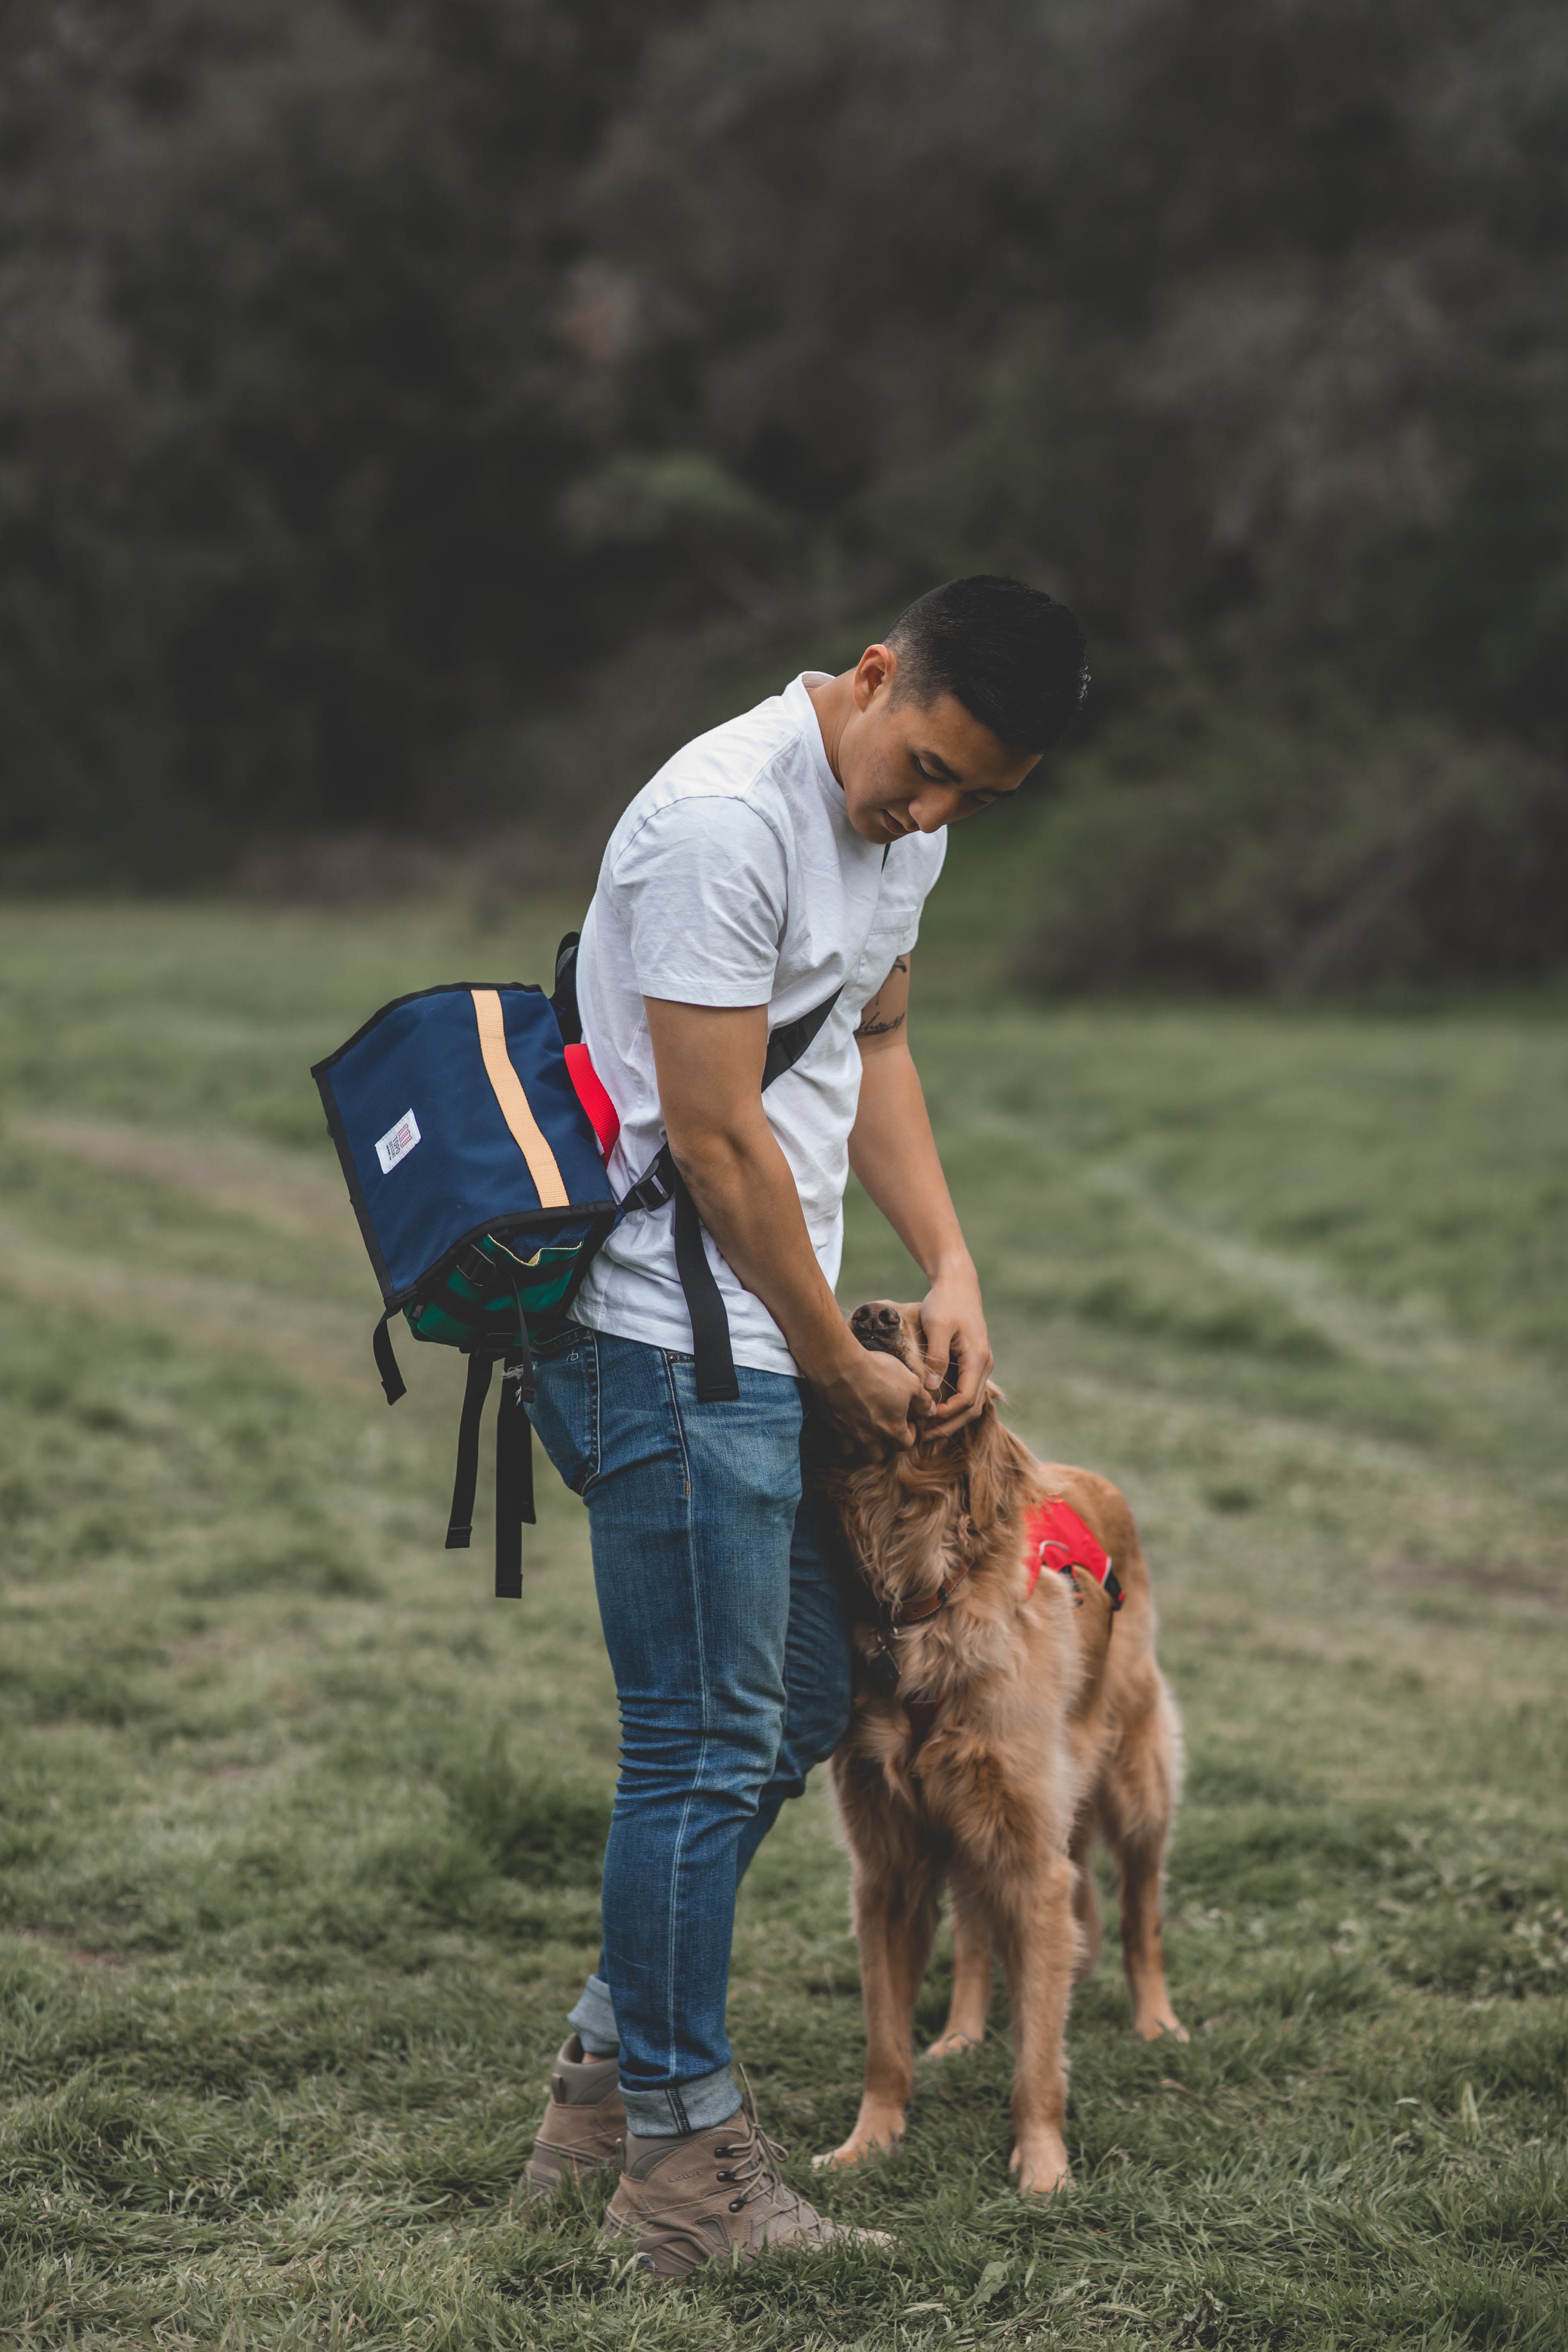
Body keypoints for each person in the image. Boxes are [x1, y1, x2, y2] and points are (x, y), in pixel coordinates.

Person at [523, 574, 1088, 2277]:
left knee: (792, 1708)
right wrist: (832, 1361)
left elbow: (880, 1038)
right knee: (701, 1741)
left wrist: (953, 1260)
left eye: (969, 802)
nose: (926, 815)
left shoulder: (894, 837)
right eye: (922, 769)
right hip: (662, 1342)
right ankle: (684, 2182)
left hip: (763, 1342)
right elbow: (710, 1142)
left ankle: (601, 2098)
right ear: (866, 678)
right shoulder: (718, 826)